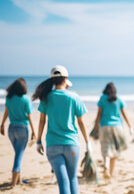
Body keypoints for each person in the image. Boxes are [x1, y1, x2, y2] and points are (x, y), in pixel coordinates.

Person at [33, 65, 91, 194]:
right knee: (72, 178)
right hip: (72, 144)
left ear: (53, 81)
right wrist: (88, 142)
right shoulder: (74, 97)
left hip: (52, 145)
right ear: (65, 79)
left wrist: (38, 141)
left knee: (62, 180)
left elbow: (42, 121)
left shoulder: (46, 97)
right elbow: (81, 122)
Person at [0, 78, 36, 188]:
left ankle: (19, 180)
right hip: (22, 129)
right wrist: (34, 131)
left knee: (17, 153)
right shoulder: (26, 99)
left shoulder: (9, 98)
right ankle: (13, 184)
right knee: (19, 155)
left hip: (11, 129)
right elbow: (30, 116)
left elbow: (6, 113)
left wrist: (1, 125)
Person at [94, 82, 134, 178]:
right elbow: (124, 114)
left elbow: (99, 114)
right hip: (117, 127)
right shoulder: (119, 99)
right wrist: (130, 127)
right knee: (115, 150)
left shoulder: (103, 98)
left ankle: (106, 165)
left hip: (104, 126)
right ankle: (110, 174)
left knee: (105, 147)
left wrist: (95, 127)